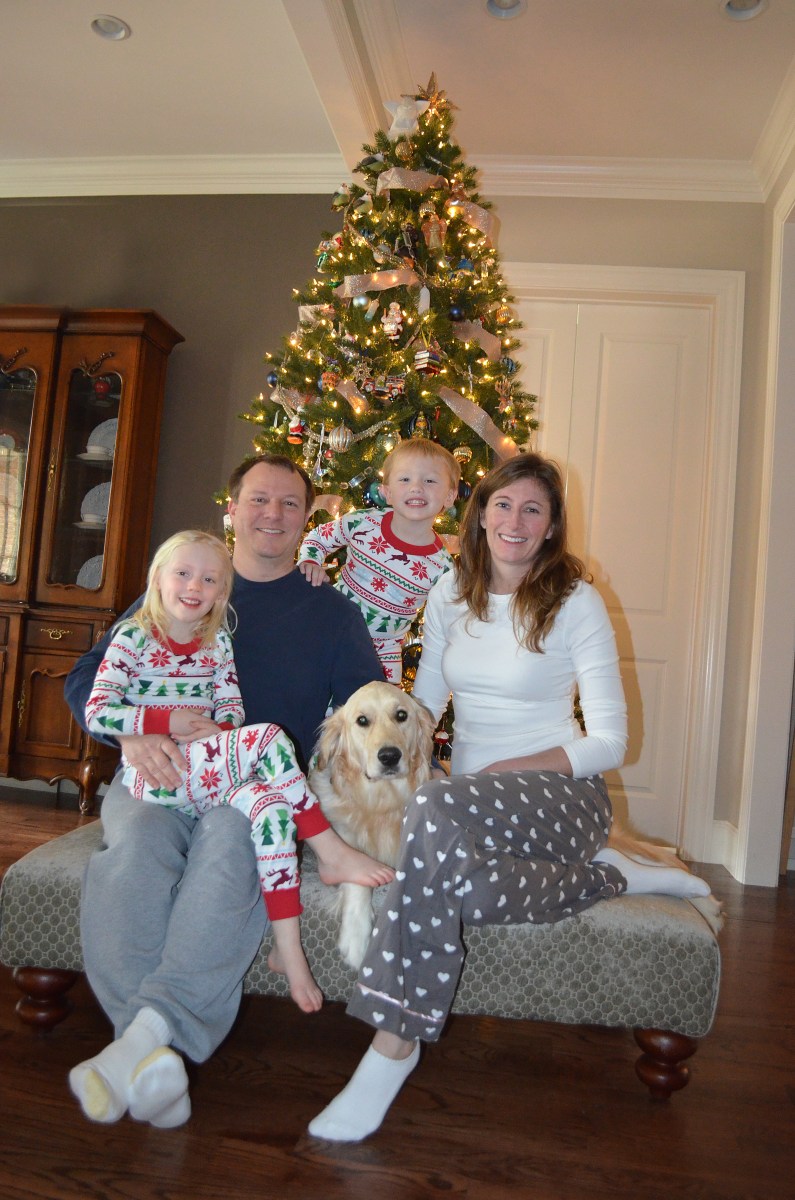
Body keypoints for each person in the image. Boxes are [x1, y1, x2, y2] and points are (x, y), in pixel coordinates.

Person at [307, 451, 712, 1143]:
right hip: (466, 805)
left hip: (564, 797)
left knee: (433, 813)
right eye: (503, 505)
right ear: (480, 515)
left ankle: (393, 1047)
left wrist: (507, 769)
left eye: (532, 510)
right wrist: (393, 753)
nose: (515, 522)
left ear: (551, 525)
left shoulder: (575, 602)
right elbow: (423, 705)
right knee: (460, 885)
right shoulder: (449, 592)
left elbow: (611, 741)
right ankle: (612, 874)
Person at [64, 453, 384, 1129]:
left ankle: (142, 1049)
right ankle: (154, 1052)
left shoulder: (330, 612)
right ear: (231, 509)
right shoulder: (187, 584)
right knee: (133, 851)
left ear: (307, 518)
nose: (273, 513)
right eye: (259, 499)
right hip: (158, 772)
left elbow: (369, 710)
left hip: (249, 789)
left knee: (231, 852)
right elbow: (88, 682)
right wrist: (133, 733)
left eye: (290, 503)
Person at [84, 528, 393, 1016]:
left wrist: (220, 734)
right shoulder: (137, 631)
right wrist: (154, 727)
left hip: (216, 771)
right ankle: (329, 850)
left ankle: (286, 950)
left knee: (270, 810)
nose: (194, 586)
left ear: (222, 592)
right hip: (155, 776)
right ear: (157, 580)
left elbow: (233, 708)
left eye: (209, 580)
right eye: (183, 575)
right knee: (267, 739)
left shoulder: (222, 640)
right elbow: (95, 703)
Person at [297, 438, 460, 683]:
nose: (416, 487)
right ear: (387, 492)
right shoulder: (364, 522)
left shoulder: (443, 568)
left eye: (429, 480)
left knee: (380, 706)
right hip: (329, 629)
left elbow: (446, 621)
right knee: (308, 691)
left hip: (383, 654)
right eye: (405, 479)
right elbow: (319, 537)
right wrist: (310, 561)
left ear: (449, 496)